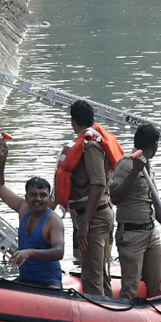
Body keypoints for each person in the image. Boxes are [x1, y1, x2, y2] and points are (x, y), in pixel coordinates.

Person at [54, 99, 123, 296]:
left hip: (94, 216)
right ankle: (110, 314)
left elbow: (98, 183)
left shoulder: (90, 146)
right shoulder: (91, 141)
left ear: (73, 122)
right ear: (93, 119)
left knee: (93, 277)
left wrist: (85, 223)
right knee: (99, 272)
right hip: (93, 214)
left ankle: (103, 320)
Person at [0, 138, 64, 288]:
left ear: (49, 198)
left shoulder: (53, 221)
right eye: (33, 194)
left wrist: (30, 252)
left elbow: (59, 251)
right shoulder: (24, 208)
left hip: (49, 282)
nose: (38, 199)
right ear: (26, 197)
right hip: (25, 279)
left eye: (43, 195)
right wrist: (2, 158)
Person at [110, 124, 161, 299]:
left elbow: (157, 206)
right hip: (131, 235)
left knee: (158, 287)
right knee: (130, 288)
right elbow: (114, 197)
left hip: (151, 232)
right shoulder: (127, 164)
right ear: (154, 145)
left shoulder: (149, 167)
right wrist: (135, 172)